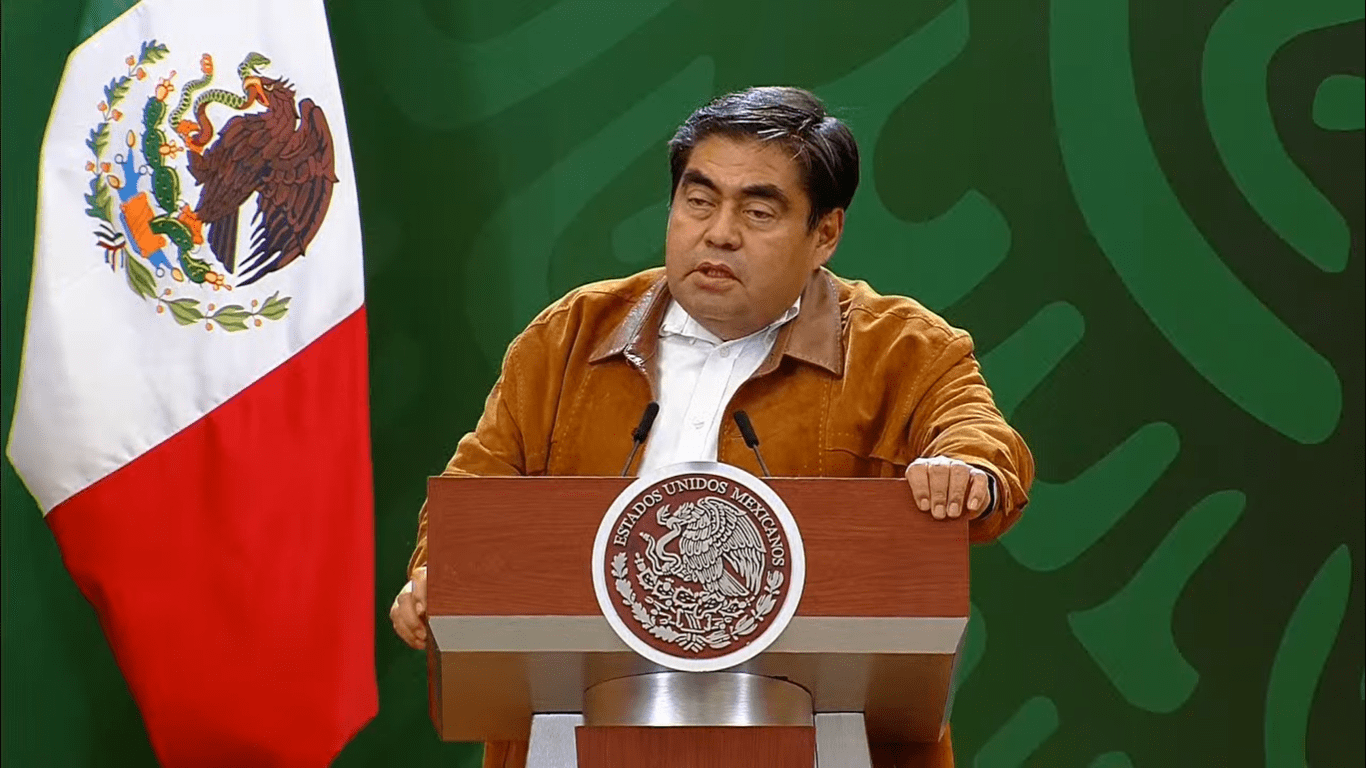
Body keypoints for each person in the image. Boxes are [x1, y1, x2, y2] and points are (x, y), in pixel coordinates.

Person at [390, 86, 1034, 767]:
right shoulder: (571, 335)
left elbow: (979, 437)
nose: (719, 233)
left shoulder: (902, 347)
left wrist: (968, 471)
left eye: (758, 211)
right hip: (576, 732)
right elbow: (476, 491)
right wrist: (435, 577)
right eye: (699, 201)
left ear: (825, 234)